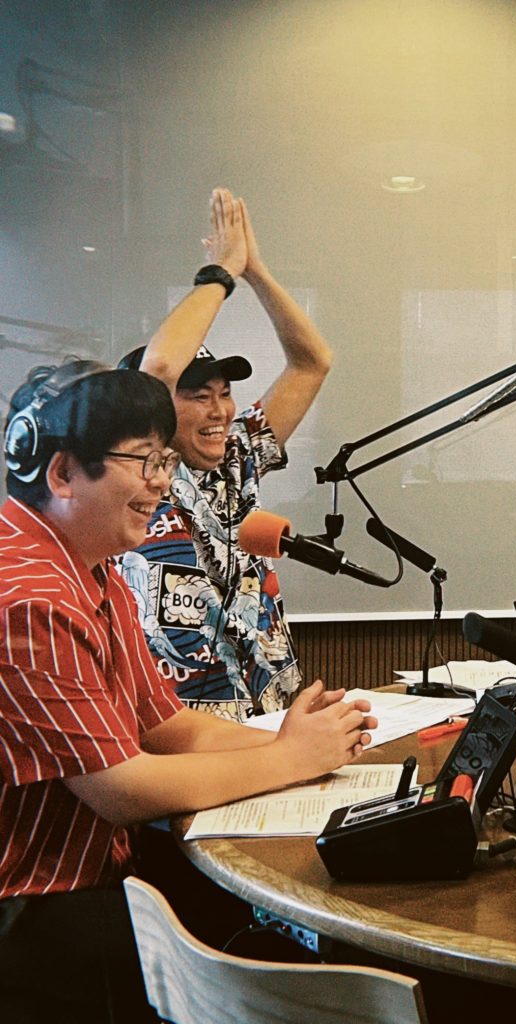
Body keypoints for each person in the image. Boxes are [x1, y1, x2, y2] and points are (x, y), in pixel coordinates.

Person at [0, 360, 375, 1023]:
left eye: (164, 461)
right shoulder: (29, 597)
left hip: (93, 882)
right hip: (36, 910)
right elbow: (120, 788)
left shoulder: (92, 569)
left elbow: (168, 726)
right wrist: (290, 759)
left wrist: (310, 744)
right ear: (61, 473)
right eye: (144, 461)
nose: (162, 482)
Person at [118, 186, 332, 721]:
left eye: (224, 393)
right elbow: (159, 370)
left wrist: (256, 271)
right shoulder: (135, 469)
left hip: (266, 709)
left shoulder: (238, 454)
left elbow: (312, 363)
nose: (220, 411)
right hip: (181, 727)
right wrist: (221, 275)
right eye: (198, 396)